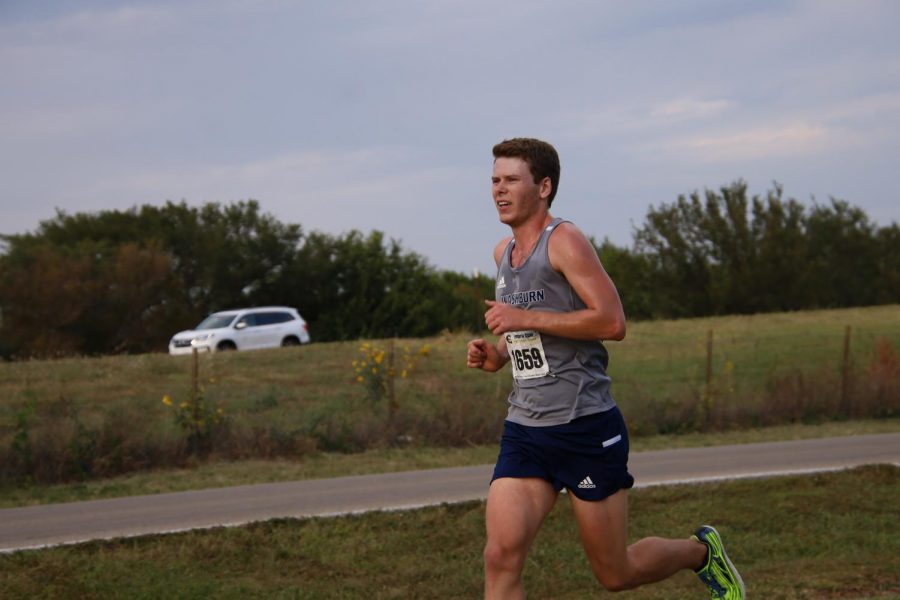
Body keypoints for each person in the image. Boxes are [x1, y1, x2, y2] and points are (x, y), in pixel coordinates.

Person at [466, 138, 745, 599]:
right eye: (495, 180)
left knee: (616, 573)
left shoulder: (566, 241)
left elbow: (612, 321)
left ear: (544, 186)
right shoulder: (504, 254)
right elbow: (525, 330)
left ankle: (702, 553)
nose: (499, 189)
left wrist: (521, 318)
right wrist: (497, 354)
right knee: (500, 556)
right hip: (527, 427)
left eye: (512, 179)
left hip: (585, 427)